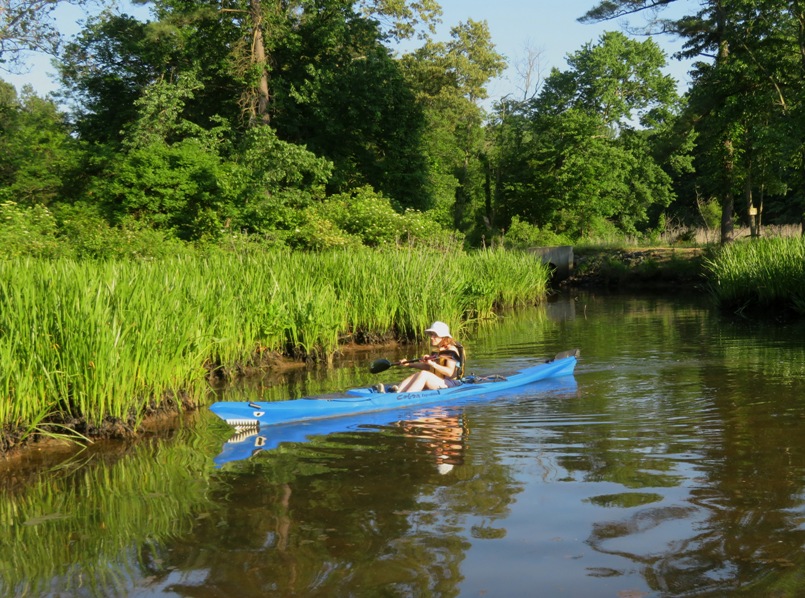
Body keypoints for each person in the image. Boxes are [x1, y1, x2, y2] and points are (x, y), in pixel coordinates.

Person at [394, 321, 463, 393]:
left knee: (424, 374)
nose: (431, 338)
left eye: (435, 335)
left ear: (443, 337)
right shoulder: (437, 350)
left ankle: (407, 395)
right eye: (431, 335)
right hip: (440, 381)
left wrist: (432, 364)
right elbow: (428, 367)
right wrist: (409, 364)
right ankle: (397, 390)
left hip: (452, 384)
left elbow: (450, 373)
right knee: (418, 374)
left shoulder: (451, 350)